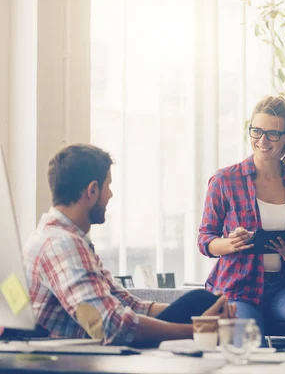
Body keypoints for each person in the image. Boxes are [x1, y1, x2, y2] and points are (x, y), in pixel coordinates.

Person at [23, 144, 236, 346]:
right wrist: (197, 330)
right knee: (201, 305)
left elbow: (127, 304)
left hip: (83, 351)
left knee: (202, 301)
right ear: (92, 190)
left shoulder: (64, 238)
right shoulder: (62, 245)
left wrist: (203, 313)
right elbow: (112, 327)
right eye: (108, 185)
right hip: (63, 362)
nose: (110, 195)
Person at [198, 95, 285, 350]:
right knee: (253, 349)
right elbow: (205, 240)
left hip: (280, 288)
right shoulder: (224, 180)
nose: (262, 141)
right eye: (256, 131)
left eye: (272, 134)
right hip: (236, 288)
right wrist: (230, 244)